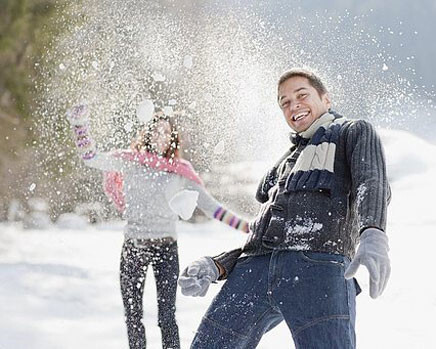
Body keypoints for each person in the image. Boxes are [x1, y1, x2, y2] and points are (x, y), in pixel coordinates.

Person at [178, 68, 391, 349]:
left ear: (326, 99)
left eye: (301, 95)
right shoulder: (283, 165)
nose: (293, 105)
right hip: (254, 270)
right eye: (285, 102)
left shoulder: (351, 132)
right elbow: (261, 236)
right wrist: (218, 265)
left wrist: (373, 233)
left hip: (316, 266)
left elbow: (372, 181)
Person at [66, 105, 249, 349]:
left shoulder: (179, 172)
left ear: (172, 138)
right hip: (133, 247)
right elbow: (91, 158)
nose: (160, 136)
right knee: (133, 317)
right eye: (156, 131)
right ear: (147, 134)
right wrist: (80, 126)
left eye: (166, 132)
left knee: (167, 317)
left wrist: (249, 227)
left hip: (166, 249)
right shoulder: (130, 162)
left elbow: (212, 208)